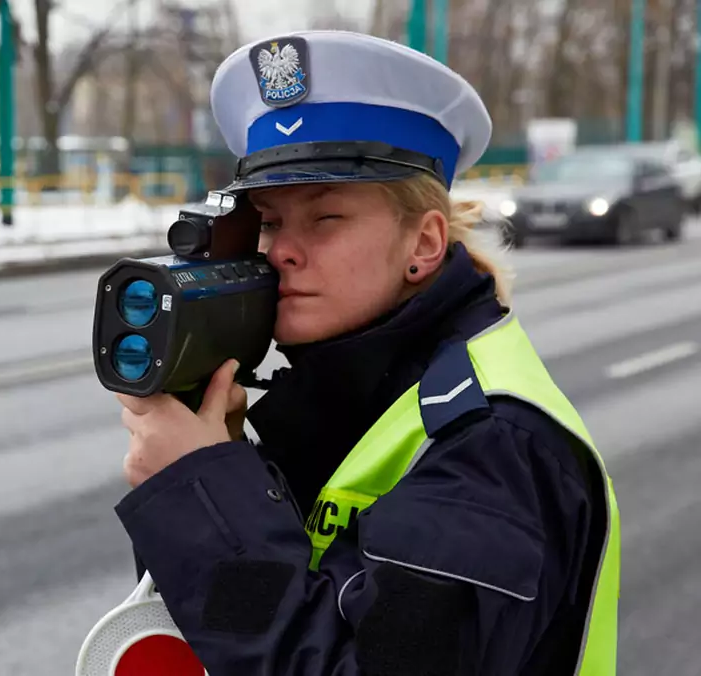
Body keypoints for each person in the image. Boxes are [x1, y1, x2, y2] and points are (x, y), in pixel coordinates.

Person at [112, 30, 620, 676]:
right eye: (270, 221)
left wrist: (203, 494)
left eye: (325, 220)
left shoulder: (492, 443)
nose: (281, 251)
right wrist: (221, 463)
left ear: (424, 244)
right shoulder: (351, 390)